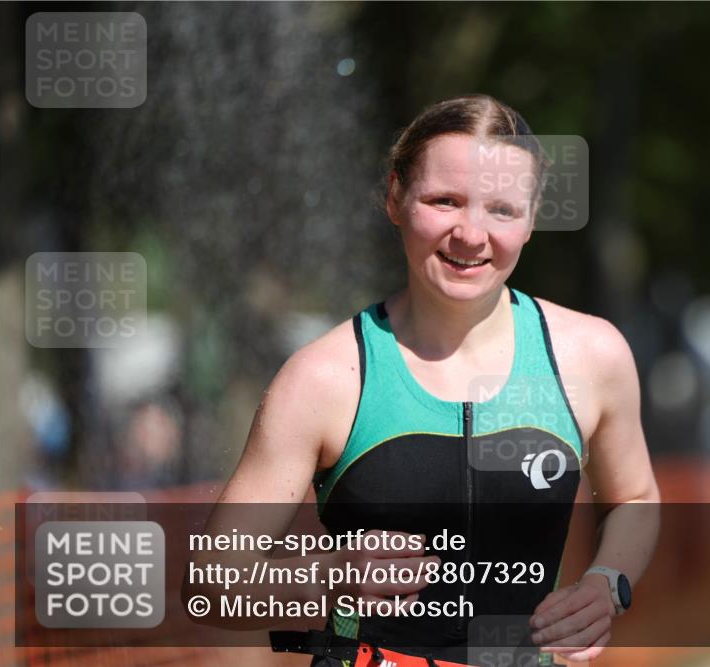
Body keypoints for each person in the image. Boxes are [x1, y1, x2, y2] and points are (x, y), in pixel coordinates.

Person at [203, 95, 660, 667]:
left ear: (533, 216)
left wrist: (606, 583)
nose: (471, 235)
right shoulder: (322, 378)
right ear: (394, 197)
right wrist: (328, 576)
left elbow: (636, 498)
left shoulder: (591, 355)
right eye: (444, 201)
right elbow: (210, 584)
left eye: (502, 210)